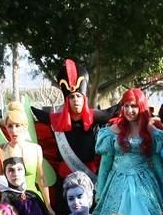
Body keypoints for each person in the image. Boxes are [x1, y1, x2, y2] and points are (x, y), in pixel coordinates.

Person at [94, 88, 163, 215]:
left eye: (133, 106)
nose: (129, 110)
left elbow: (156, 161)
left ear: (141, 107)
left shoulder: (152, 132)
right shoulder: (111, 132)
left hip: (144, 182)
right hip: (117, 182)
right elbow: (105, 163)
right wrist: (99, 190)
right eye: (126, 106)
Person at [31, 59, 118, 188]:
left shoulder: (95, 117)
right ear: (67, 100)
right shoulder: (56, 120)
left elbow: (113, 113)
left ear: (84, 99)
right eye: (71, 97)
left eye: (78, 96)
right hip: (64, 176)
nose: (75, 100)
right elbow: (38, 116)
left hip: (89, 176)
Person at [0, 101, 54, 214]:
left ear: (25, 126)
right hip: (10, 204)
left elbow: (41, 179)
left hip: (34, 201)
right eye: (10, 126)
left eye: (17, 125)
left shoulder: (36, 149)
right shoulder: (1, 150)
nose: (14, 130)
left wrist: (48, 205)